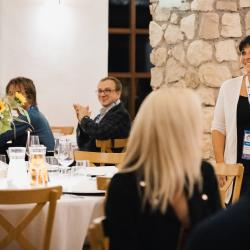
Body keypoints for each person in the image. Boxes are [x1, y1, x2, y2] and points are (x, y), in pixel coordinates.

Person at [104, 88, 222, 250]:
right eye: (195, 122)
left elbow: (218, 237)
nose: (200, 129)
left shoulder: (203, 173)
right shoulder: (126, 185)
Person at [212, 36, 250, 195]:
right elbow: (218, 128)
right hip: (237, 167)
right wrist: (221, 165)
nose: (246, 57)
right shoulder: (228, 87)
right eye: (243, 53)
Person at [73, 76, 131, 152]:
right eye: (100, 91)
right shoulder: (103, 114)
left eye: (107, 90)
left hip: (105, 162)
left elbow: (100, 132)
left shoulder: (120, 114)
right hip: (91, 159)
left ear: (118, 93)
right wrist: (81, 121)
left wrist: (85, 118)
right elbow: (83, 144)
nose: (102, 94)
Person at [0, 77, 55, 152]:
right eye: (10, 93)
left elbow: (2, 135)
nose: (12, 97)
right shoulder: (33, 113)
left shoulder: (29, 116)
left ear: (30, 97)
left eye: (18, 93)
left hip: (40, 161)